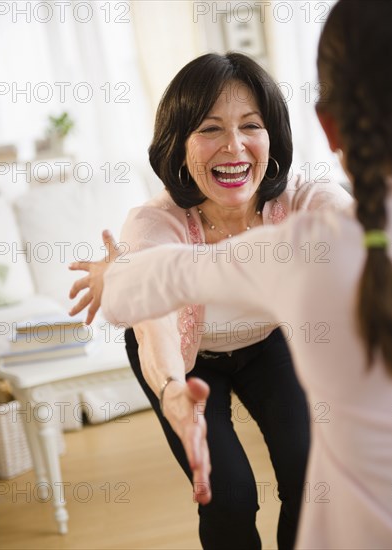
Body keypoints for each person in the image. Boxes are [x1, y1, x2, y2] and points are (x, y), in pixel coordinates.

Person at [69, 53, 352, 548]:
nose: (234, 146)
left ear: (273, 137)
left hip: (266, 343)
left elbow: (362, 231)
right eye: (210, 129)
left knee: (314, 480)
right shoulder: (155, 224)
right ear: (178, 145)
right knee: (229, 495)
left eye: (250, 125)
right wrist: (172, 389)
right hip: (187, 362)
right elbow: (153, 322)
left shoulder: (304, 199)